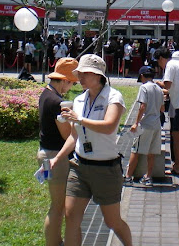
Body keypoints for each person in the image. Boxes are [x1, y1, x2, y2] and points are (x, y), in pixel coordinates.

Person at [51, 54, 132, 246]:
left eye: (85, 74)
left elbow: (109, 126)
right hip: (79, 167)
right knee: (71, 217)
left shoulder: (114, 97)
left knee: (112, 222)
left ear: (99, 76)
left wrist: (79, 119)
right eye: (80, 74)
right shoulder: (79, 100)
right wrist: (58, 158)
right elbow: (74, 136)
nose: (80, 78)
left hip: (106, 169)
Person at [37, 57, 79, 246]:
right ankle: (54, 242)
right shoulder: (57, 102)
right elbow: (66, 135)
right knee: (58, 206)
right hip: (56, 157)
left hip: (45, 153)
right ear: (64, 80)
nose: (70, 87)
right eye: (71, 83)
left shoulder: (45, 94)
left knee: (55, 204)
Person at [124, 66, 164, 186]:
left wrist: (136, 123)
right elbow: (162, 108)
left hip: (145, 124)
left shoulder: (144, 87)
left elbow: (142, 106)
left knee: (135, 150)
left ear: (142, 76)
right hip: (157, 124)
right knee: (151, 153)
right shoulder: (159, 88)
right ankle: (148, 177)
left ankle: (128, 177)